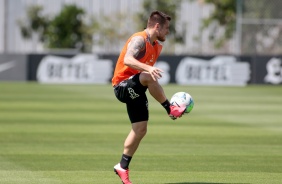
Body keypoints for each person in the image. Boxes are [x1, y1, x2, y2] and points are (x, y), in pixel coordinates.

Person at [112, 10, 186, 184]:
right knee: (149, 76)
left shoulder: (157, 46)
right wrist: (148, 68)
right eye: (167, 28)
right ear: (157, 26)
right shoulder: (140, 39)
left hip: (136, 87)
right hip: (122, 86)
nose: (168, 32)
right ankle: (170, 109)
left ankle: (122, 166)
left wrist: (147, 70)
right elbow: (128, 60)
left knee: (141, 129)